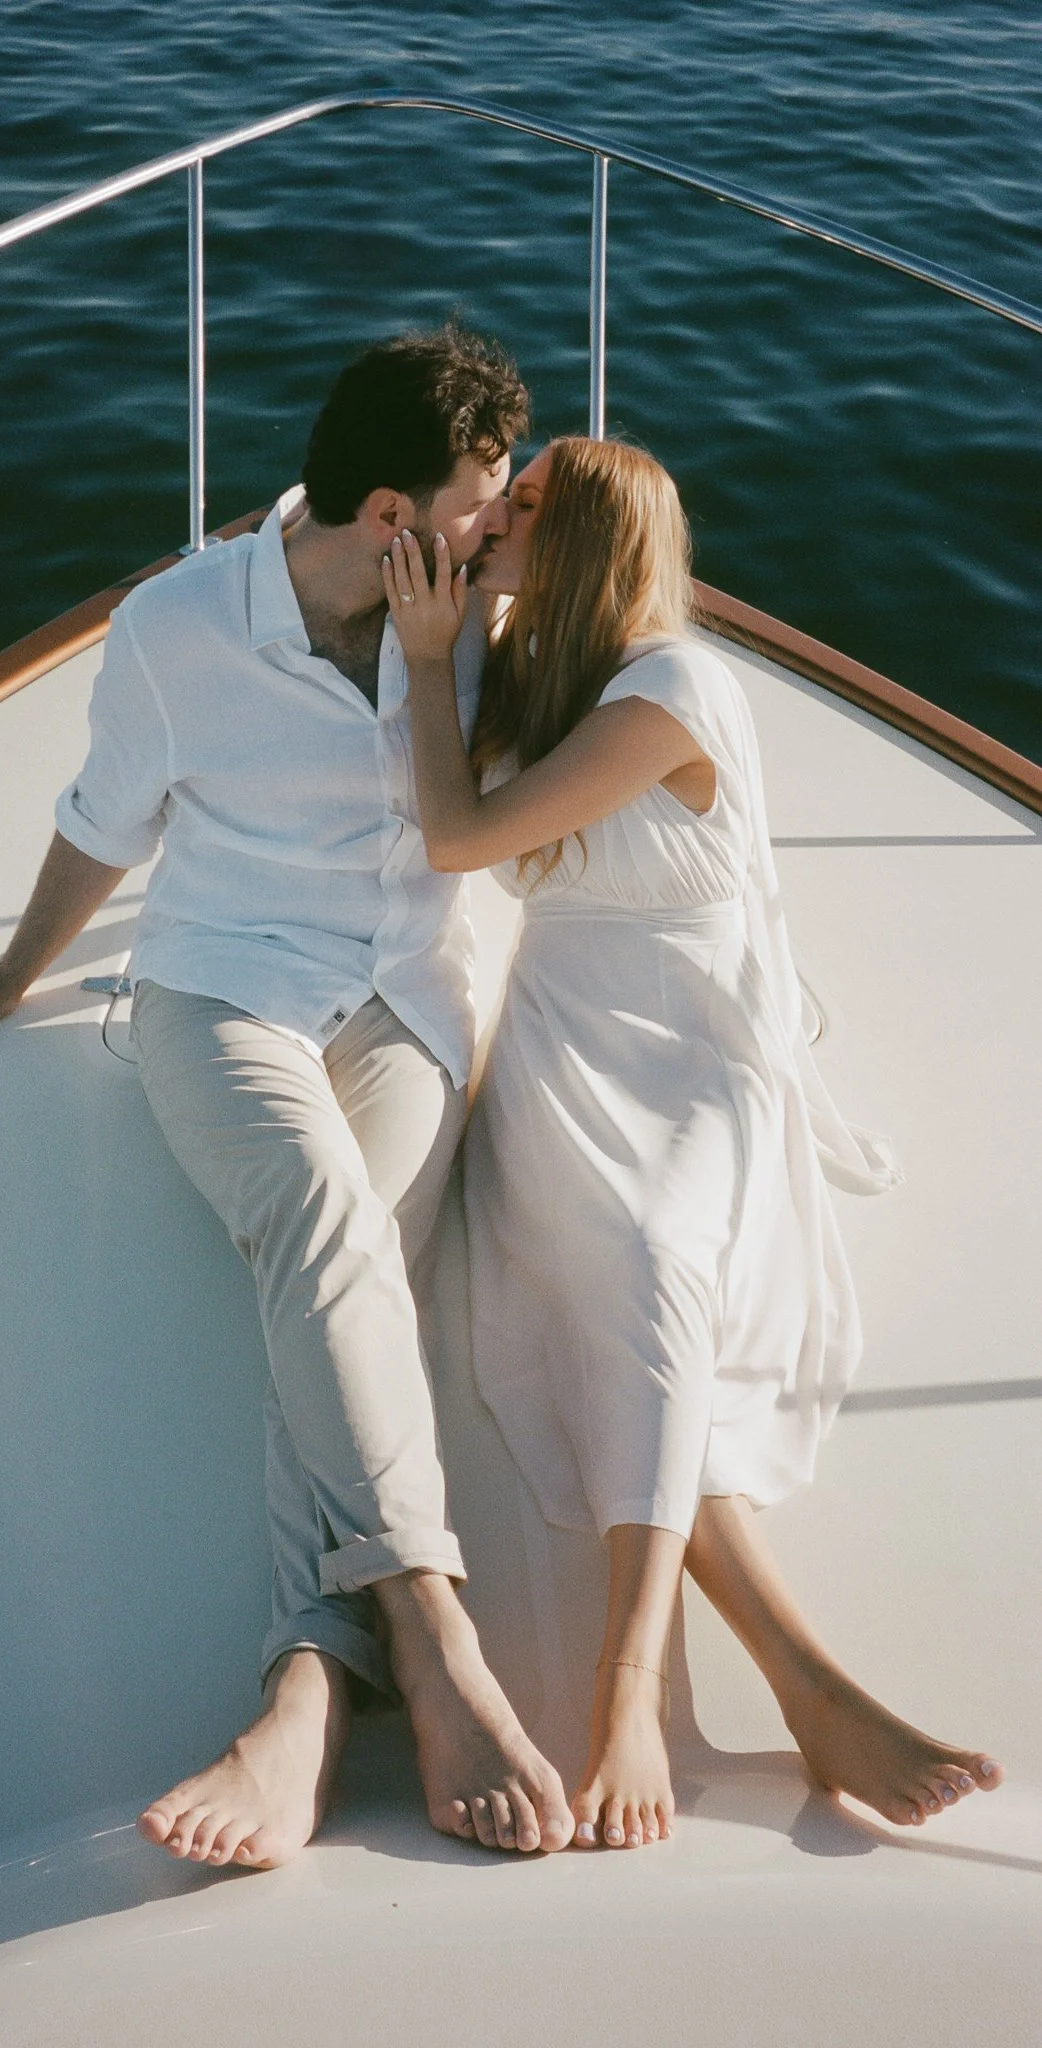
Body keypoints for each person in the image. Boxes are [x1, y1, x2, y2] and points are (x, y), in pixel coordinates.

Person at [0, 327, 579, 1867]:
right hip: (222, 989)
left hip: (403, 989)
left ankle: (309, 1686)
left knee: (339, 1278)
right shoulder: (177, 625)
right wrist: (10, 976)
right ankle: (438, 1637)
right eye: (480, 494)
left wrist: (492, 636)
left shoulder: (472, 614)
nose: (501, 515)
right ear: (391, 515)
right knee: (323, 1218)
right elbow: (104, 821)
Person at [382, 433, 1004, 1852]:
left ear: (592, 538)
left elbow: (458, 838)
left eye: (523, 507)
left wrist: (432, 666)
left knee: (654, 1265)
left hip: (686, 1037)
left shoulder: (670, 686)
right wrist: (460, 634)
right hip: (562, 1032)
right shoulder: (545, 665)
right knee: (630, 1306)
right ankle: (811, 1687)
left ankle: (626, 1694)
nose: (495, 518)